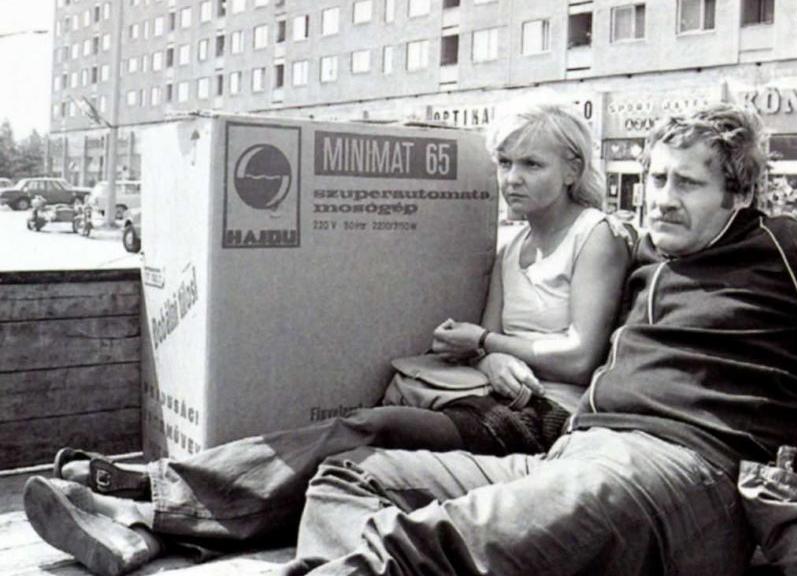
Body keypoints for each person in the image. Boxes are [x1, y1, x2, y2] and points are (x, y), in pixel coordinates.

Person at [267, 103, 797, 576]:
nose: (661, 199)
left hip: (682, 474)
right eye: (655, 179)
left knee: (442, 541)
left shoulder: (789, 250)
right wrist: (496, 351)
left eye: (686, 184)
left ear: (740, 194)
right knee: (352, 476)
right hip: (574, 453)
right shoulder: (649, 264)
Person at [21, 102, 632, 576]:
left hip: (544, 417)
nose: (512, 178)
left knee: (369, 429)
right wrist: (488, 351)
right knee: (352, 451)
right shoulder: (514, 243)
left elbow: (581, 355)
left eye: (532, 165)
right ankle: (144, 518)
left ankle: (141, 494)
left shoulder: (595, 235)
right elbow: (487, 338)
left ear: (573, 169)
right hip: (489, 397)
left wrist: (491, 347)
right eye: (505, 163)